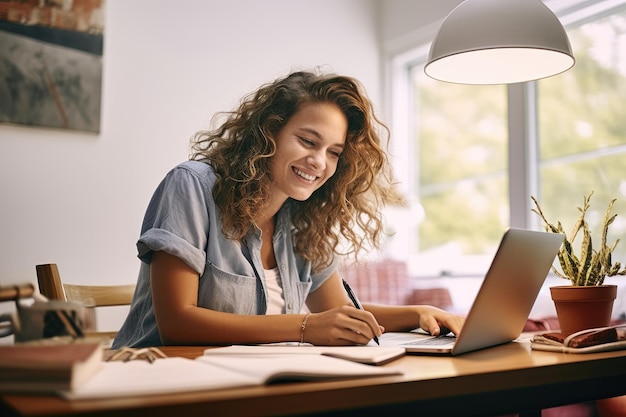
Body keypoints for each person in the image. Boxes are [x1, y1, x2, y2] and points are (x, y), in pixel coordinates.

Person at [112, 70, 464, 349]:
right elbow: (177, 324)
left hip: (253, 385)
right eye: (308, 141)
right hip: (160, 381)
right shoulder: (192, 186)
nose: (319, 162)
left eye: (333, 152)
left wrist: (419, 314)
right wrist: (305, 327)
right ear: (271, 131)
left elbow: (338, 315)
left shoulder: (305, 221)